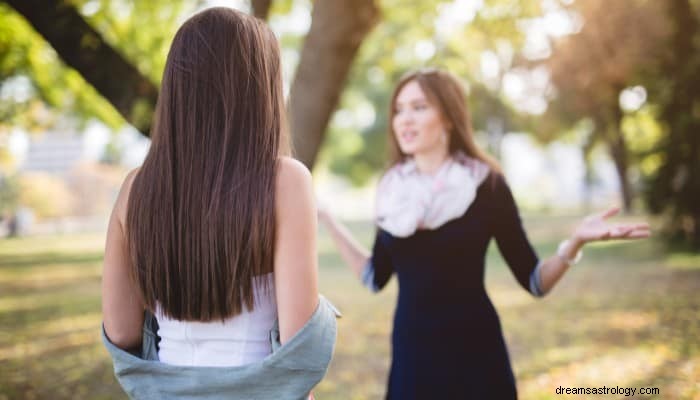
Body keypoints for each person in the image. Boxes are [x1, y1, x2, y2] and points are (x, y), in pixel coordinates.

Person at [318, 68, 650, 399]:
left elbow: (535, 280)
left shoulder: (486, 185)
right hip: (412, 362)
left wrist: (574, 242)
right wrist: (327, 219)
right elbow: (375, 276)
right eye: (399, 110)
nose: (405, 119)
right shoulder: (392, 190)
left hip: (477, 360)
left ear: (448, 116)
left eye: (419, 107)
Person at [101, 8, 336, 399]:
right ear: (260, 89)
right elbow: (299, 344)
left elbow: (122, 330)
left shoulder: (135, 189)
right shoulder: (286, 181)